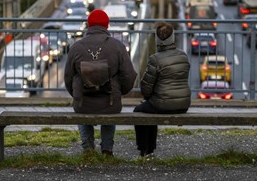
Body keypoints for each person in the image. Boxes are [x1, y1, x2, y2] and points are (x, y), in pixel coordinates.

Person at [64, 9, 137, 156]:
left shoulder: (76, 47)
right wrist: (118, 92)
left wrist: (77, 95)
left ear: (88, 26)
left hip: (83, 103)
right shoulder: (118, 47)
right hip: (110, 103)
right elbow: (129, 75)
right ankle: (107, 149)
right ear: (106, 26)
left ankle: (88, 149)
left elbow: (68, 78)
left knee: (82, 109)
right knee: (110, 110)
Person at [134, 21, 191, 157]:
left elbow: (146, 89)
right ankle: (149, 150)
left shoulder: (155, 59)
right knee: (151, 107)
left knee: (140, 111)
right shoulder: (183, 56)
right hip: (183, 104)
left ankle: (145, 150)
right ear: (172, 38)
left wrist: (149, 97)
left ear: (157, 39)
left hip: (162, 104)